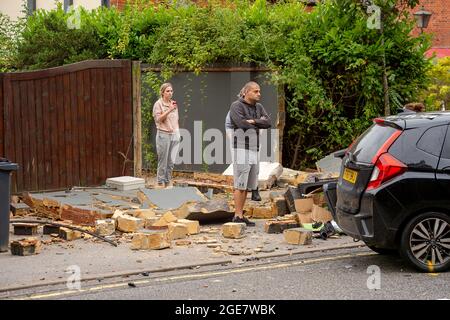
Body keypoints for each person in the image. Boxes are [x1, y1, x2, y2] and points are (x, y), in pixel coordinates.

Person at [229, 81, 271, 226]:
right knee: (240, 182)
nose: (259, 94)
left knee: (247, 184)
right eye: (255, 91)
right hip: (241, 147)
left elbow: (268, 123)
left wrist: (252, 120)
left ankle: (241, 216)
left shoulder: (259, 107)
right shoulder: (236, 106)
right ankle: (237, 215)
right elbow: (241, 124)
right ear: (246, 92)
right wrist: (257, 123)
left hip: (254, 148)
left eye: (259, 91)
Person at [225, 110, 262, 201]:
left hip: (254, 142)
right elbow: (228, 125)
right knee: (240, 169)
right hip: (239, 143)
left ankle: (255, 189)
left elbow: (262, 123)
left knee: (255, 167)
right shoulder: (233, 111)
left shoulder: (256, 109)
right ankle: (239, 190)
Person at [152, 83, 180, 188]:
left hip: (175, 134)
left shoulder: (174, 103)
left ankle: (168, 181)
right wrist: (169, 110)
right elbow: (158, 119)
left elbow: (176, 119)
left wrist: (177, 131)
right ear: (162, 92)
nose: (170, 93)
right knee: (163, 160)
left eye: (171, 91)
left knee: (171, 160)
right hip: (163, 134)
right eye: (167, 91)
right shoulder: (158, 104)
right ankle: (160, 182)